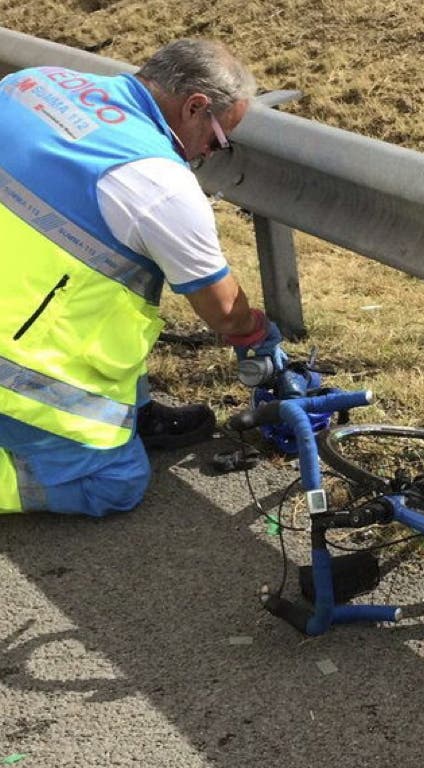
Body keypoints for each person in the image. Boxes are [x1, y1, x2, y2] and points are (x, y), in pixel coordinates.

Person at [0, 39, 283, 517]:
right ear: (195, 107)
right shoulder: (157, 184)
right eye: (217, 140)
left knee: (113, 300)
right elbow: (221, 309)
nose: (211, 153)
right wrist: (257, 333)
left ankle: (137, 412)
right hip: (16, 370)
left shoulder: (32, 83)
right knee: (115, 483)